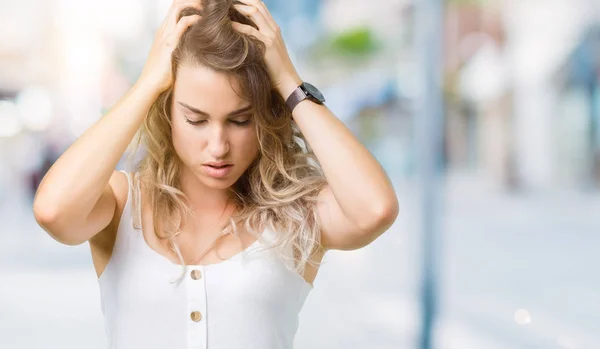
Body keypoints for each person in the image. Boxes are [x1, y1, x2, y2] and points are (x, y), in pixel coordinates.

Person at [32, 0, 399, 348]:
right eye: (196, 119)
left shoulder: (296, 214)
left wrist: (289, 82)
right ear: (167, 111)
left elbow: (375, 209)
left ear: (265, 115)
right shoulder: (122, 202)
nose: (218, 145)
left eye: (240, 120)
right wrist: (147, 83)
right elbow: (53, 212)